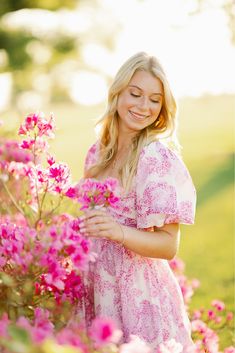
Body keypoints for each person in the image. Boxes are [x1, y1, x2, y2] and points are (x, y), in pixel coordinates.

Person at [79, 51, 196, 351]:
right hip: (97, 292)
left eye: (155, 99)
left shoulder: (156, 159)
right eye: (135, 94)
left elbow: (168, 245)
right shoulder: (97, 154)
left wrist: (118, 232)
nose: (144, 106)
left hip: (140, 300)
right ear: (117, 93)